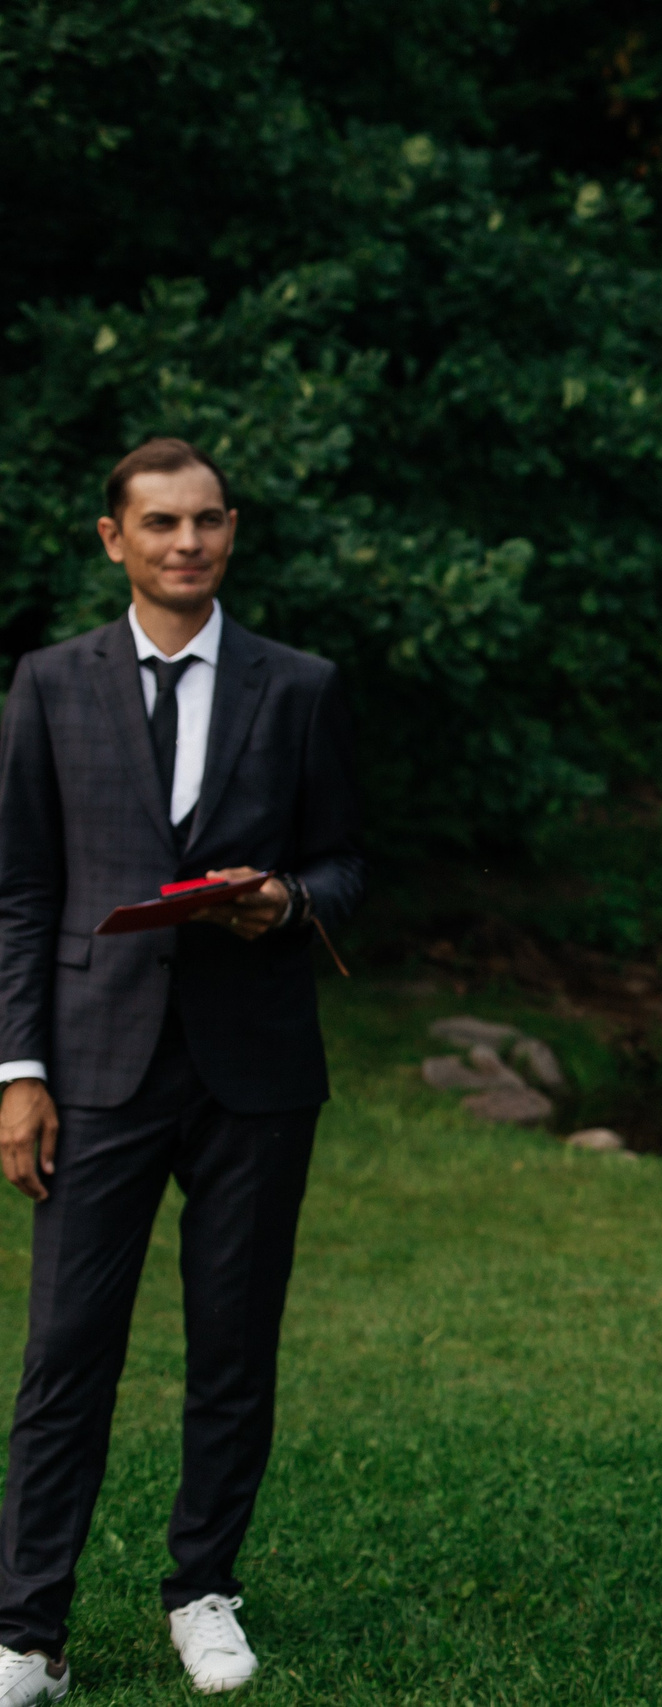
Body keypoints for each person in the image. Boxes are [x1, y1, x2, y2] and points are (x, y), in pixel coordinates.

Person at [0, 439, 363, 1703]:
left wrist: (286, 901)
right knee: (66, 1357)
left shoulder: (300, 684)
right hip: (95, 1068)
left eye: (207, 522)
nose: (185, 543)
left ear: (232, 534)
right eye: (159, 523)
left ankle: (203, 1590)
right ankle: (27, 1632)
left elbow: (346, 863)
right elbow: (22, 891)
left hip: (255, 1071)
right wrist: (17, 1069)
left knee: (233, 1346)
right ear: (115, 539)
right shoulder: (48, 686)